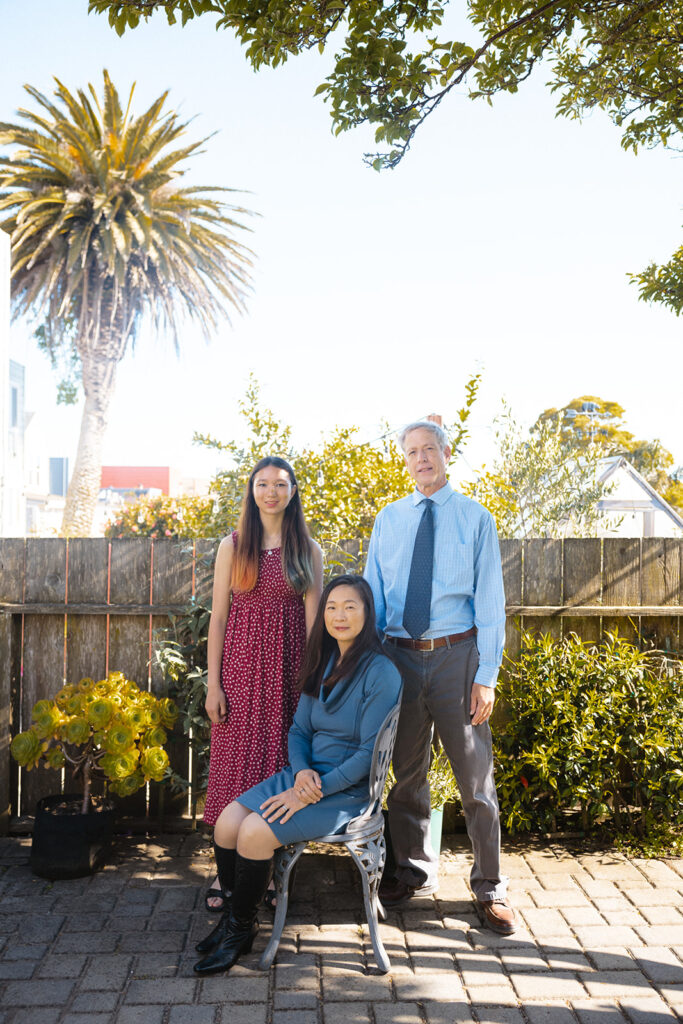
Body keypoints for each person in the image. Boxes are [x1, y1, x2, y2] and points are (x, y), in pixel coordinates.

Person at [193, 574, 403, 975]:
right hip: (304, 775)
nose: (339, 616)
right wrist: (302, 771)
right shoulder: (322, 662)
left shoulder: (383, 673)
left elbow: (367, 757)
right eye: (331, 607)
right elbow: (300, 731)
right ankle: (238, 919)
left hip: (346, 791)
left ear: (367, 613)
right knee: (225, 825)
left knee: (253, 832)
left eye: (350, 607)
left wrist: (312, 790)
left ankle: (239, 931)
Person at [364, 419, 516, 935]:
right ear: (404, 460)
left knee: (475, 780)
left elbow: (491, 604)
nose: (422, 458)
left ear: (447, 454)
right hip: (399, 659)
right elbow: (374, 595)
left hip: (457, 659)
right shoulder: (388, 520)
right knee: (404, 776)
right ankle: (410, 872)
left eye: (430, 449)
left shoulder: (476, 519)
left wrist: (487, 675)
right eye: (412, 451)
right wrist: (371, 662)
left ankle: (490, 887)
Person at [203, 456, 323, 911]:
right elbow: (217, 620)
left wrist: (312, 687)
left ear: (293, 492)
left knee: (274, 770)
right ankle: (224, 873)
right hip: (238, 676)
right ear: (251, 492)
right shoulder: (233, 546)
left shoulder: (307, 551)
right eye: (262, 484)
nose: (271, 491)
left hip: (288, 679)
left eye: (280, 484)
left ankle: (265, 873)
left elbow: (315, 629)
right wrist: (214, 685)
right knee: (233, 770)